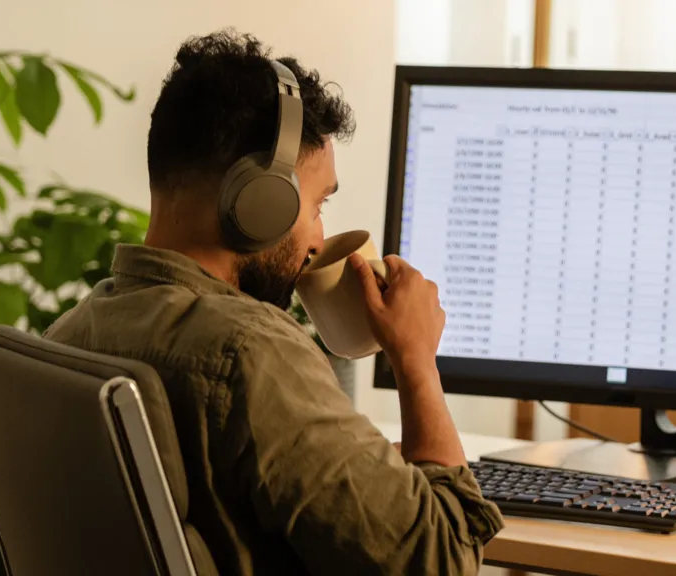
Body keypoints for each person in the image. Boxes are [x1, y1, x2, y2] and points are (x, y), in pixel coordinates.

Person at [42, 29, 503, 575]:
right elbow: (443, 558)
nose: (318, 237)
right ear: (259, 203)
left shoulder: (69, 335)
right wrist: (415, 359)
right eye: (316, 204)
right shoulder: (253, 353)